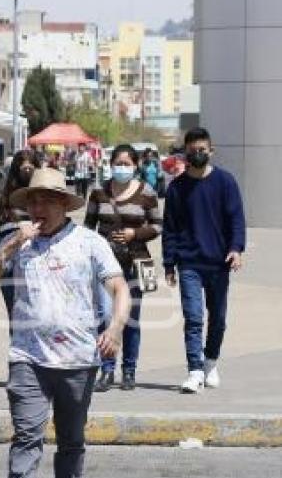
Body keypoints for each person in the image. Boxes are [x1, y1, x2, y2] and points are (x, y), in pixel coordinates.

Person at [0, 168, 130, 478]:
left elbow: (120, 287)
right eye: (31, 201)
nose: (36, 207)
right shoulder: (17, 241)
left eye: (44, 200)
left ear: (62, 204)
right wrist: (10, 246)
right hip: (27, 356)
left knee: (71, 439)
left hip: (78, 358)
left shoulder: (90, 242)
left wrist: (116, 328)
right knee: (27, 433)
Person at [163, 127, 246, 393]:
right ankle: (195, 370)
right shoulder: (177, 188)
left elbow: (236, 219)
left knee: (218, 318)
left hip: (219, 263)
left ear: (211, 151)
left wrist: (236, 248)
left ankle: (211, 361)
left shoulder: (225, 182)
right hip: (189, 263)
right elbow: (170, 228)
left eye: (202, 150)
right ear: (184, 153)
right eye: (192, 151)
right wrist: (169, 264)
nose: (197, 154)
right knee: (194, 317)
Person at [84, 144, 162, 391]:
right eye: (118, 163)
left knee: (132, 320)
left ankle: (129, 370)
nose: (122, 168)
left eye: (127, 164)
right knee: (106, 317)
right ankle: (107, 369)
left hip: (137, 262)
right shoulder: (98, 191)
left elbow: (159, 225)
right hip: (105, 265)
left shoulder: (147, 191)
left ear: (136, 166)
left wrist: (134, 233)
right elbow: (88, 227)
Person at [0, 150, 41, 322]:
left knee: (39, 316)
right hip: (9, 267)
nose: (27, 168)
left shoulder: (44, 199)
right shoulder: (0, 200)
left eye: (31, 164)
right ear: (14, 169)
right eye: (22, 164)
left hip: (39, 266)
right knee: (16, 319)